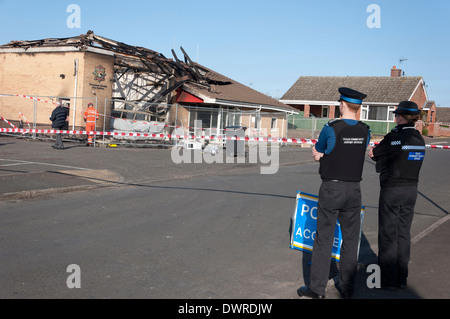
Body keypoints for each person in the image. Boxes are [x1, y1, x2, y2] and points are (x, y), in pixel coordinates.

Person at [298, 87, 371, 299]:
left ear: (342, 105)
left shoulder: (331, 128)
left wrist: (318, 155)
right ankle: (348, 288)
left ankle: (316, 289)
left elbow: (320, 151)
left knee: (324, 239)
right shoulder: (365, 130)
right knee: (350, 240)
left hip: (332, 188)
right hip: (354, 190)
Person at [368, 101, 425, 291]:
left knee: (388, 235)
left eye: (396, 115)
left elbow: (375, 153)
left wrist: (373, 152)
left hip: (392, 189)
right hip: (411, 190)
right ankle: (401, 277)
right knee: (403, 234)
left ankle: (387, 279)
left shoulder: (395, 137)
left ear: (400, 117)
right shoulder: (418, 138)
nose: (395, 118)